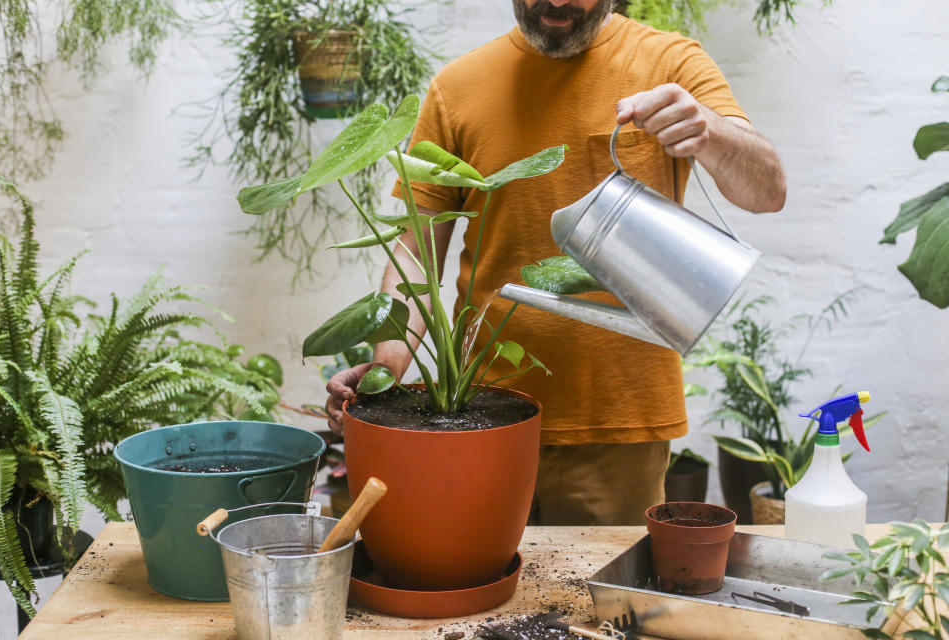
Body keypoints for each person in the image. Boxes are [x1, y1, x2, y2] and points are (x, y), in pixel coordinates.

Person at [325, 0, 787, 526]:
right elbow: (416, 251)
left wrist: (711, 131)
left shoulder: (670, 62)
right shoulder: (457, 88)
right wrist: (387, 367)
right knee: (482, 596)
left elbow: (766, 192)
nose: (559, 1)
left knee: (607, 605)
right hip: (479, 416)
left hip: (620, 423)